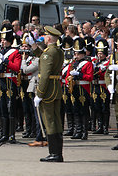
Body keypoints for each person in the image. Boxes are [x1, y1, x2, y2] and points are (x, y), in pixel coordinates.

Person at [32, 25, 64, 162]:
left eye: (45, 36)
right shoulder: (57, 51)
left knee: (49, 121)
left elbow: (44, 75)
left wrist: (39, 94)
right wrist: (33, 46)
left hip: (48, 91)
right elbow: (43, 56)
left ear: (49, 37)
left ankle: (54, 154)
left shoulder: (48, 53)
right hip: (56, 89)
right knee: (56, 121)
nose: (44, 38)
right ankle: (58, 153)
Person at [66, 37, 93, 140]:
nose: (76, 56)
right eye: (75, 54)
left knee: (84, 110)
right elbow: (68, 75)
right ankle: (78, 131)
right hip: (75, 87)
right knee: (75, 110)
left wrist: (79, 74)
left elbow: (89, 77)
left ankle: (84, 132)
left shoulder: (88, 63)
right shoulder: (72, 64)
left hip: (84, 88)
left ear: (83, 54)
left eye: (78, 54)